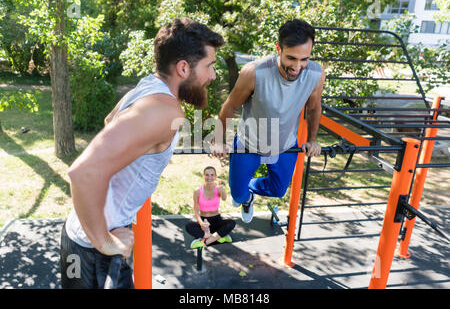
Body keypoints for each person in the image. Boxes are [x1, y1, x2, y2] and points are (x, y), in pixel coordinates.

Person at [60, 18, 224, 289]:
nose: (213, 76)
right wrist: (105, 240)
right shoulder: (164, 111)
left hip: (89, 238)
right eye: (209, 66)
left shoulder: (148, 86)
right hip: (94, 250)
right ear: (184, 68)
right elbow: (82, 172)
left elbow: (108, 122)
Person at [211, 19, 325, 223]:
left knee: (279, 190)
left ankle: (251, 188)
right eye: (291, 58)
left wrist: (313, 139)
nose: (297, 66)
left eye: (304, 59)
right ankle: (246, 198)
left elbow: (314, 107)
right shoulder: (255, 72)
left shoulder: (316, 73)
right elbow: (230, 105)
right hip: (249, 143)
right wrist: (219, 139)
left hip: (284, 145)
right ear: (278, 48)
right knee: (237, 195)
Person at [185, 166, 235, 249]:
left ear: (215, 177)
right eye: (207, 175)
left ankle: (205, 241)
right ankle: (219, 237)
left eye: (212, 175)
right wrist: (201, 224)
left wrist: (223, 190)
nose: (209, 177)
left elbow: (224, 198)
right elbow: (195, 209)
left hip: (217, 220)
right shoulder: (197, 191)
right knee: (188, 226)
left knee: (231, 223)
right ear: (203, 176)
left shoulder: (218, 189)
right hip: (205, 223)